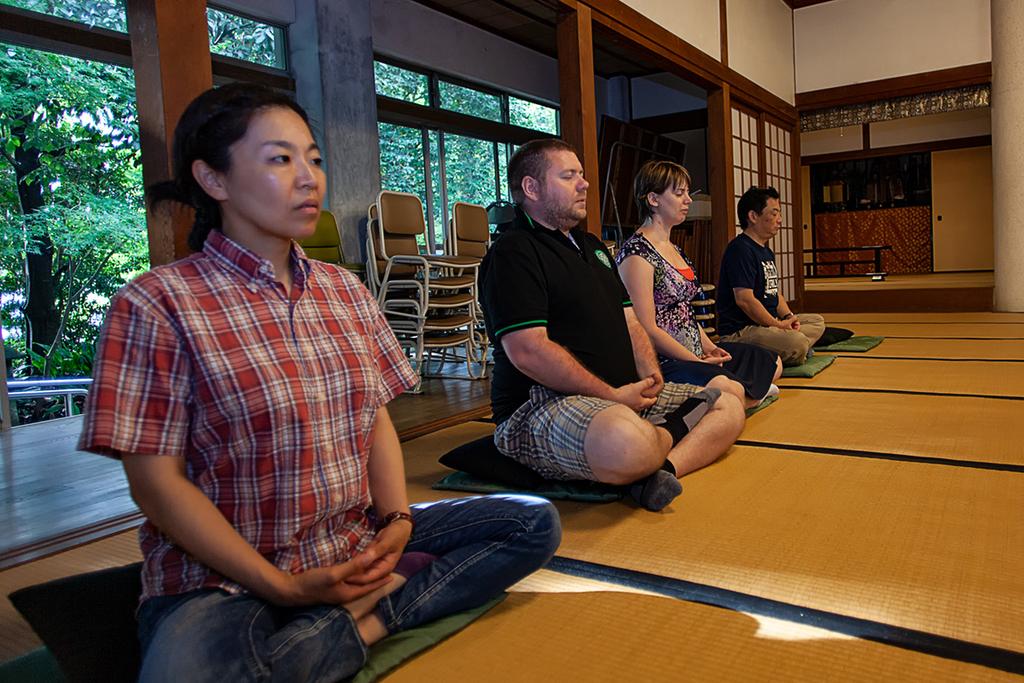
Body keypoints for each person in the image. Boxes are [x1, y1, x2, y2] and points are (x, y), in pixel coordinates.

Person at [78, 84, 560, 683]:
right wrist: (281, 586)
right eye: (280, 159)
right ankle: (340, 625)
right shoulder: (156, 304)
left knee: (532, 521)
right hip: (224, 576)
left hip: (355, 538)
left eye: (313, 158)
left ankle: (368, 619)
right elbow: (156, 486)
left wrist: (396, 523)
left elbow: (374, 416)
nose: (309, 178)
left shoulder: (343, 290)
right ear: (213, 179)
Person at [480, 139, 745, 513]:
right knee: (626, 440)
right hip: (544, 404)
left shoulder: (592, 246)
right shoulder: (513, 252)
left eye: (583, 176)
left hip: (623, 394)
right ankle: (650, 448)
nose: (584, 184)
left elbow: (630, 318)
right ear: (531, 188)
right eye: (569, 176)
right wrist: (611, 396)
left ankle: (661, 470)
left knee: (730, 404)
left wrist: (652, 374)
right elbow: (527, 350)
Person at [617, 161, 782, 409]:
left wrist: (711, 348)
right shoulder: (636, 254)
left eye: (687, 193)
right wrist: (695, 360)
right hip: (665, 360)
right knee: (729, 388)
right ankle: (743, 396)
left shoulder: (675, 249)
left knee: (773, 361)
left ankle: (742, 397)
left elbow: (686, 313)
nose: (688, 200)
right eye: (679, 193)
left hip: (695, 349)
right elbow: (646, 329)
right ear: (653, 199)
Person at [717, 186, 826, 365]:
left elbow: (774, 293)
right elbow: (745, 300)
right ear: (753, 216)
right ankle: (797, 348)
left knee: (817, 321)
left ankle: (793, 349)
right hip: (742, 331)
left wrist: (788, 318)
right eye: (774, 213)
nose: (780, 220)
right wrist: (777, 326)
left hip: (767, 324)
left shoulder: (766, 251)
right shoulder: (740, 249)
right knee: (795, 342)